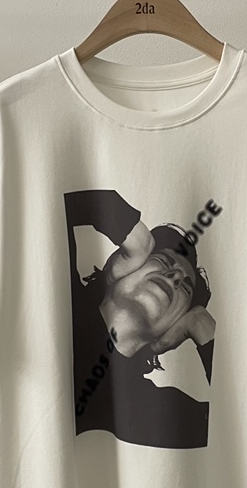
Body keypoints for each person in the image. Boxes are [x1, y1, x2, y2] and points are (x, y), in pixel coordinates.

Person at [63, 189, 215, 449]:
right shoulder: (57, 292)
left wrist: (205, 330)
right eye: (163, 261)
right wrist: (137, 237)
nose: (175, 277)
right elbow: (43, 199)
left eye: (185, 288)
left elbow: (244, 433)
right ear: (122, 264)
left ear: (176, 324)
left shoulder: (155, 412)